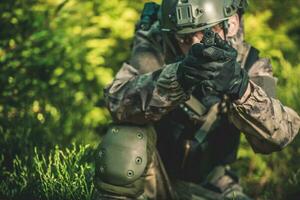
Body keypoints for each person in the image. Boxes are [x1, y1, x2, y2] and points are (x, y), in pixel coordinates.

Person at [94, 0, 300, 199]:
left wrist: (241, 88)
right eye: (184, 39)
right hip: (152, 175)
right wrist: (176, 78)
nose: (195, 46)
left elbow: (278, 135)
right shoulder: (158, 47)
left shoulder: (250, 63)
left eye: (206, 32)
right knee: (125, 138)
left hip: (212, 179)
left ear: (232, 23)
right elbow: (117, 103)